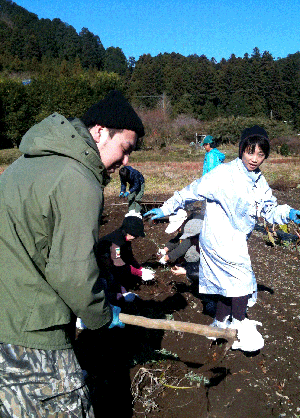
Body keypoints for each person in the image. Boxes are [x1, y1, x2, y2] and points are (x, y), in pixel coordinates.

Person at [0, 90, 145, 417]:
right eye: (124, 149)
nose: (125, 163)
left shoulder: (28, 162)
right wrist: (102, 314)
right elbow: (72, 273)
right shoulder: (79, 178)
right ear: (99, 132)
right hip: (31, 333)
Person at [145, 125, 300, 353]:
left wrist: (287, 213)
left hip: (236, 239)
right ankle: (237, 328)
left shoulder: (258, 180)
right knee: (241, 281)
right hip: (218, 237)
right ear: (241, 150)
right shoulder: (224, 174)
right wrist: (167, 207)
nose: (255, 159)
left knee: (229, 284)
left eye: (260, 154)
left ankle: (219, 324)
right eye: (250, 152)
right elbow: (193, 190)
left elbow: (267, 208)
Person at [97, 211, 155, 305]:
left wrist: (140, 268)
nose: (136, 238)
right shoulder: (116, 243)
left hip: (111, 263)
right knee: (109, 279)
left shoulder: (125, 238)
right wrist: (140, 273)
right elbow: (120, 266)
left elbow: (129, 256)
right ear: (129, 233)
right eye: (135, 235)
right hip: (99, 266)